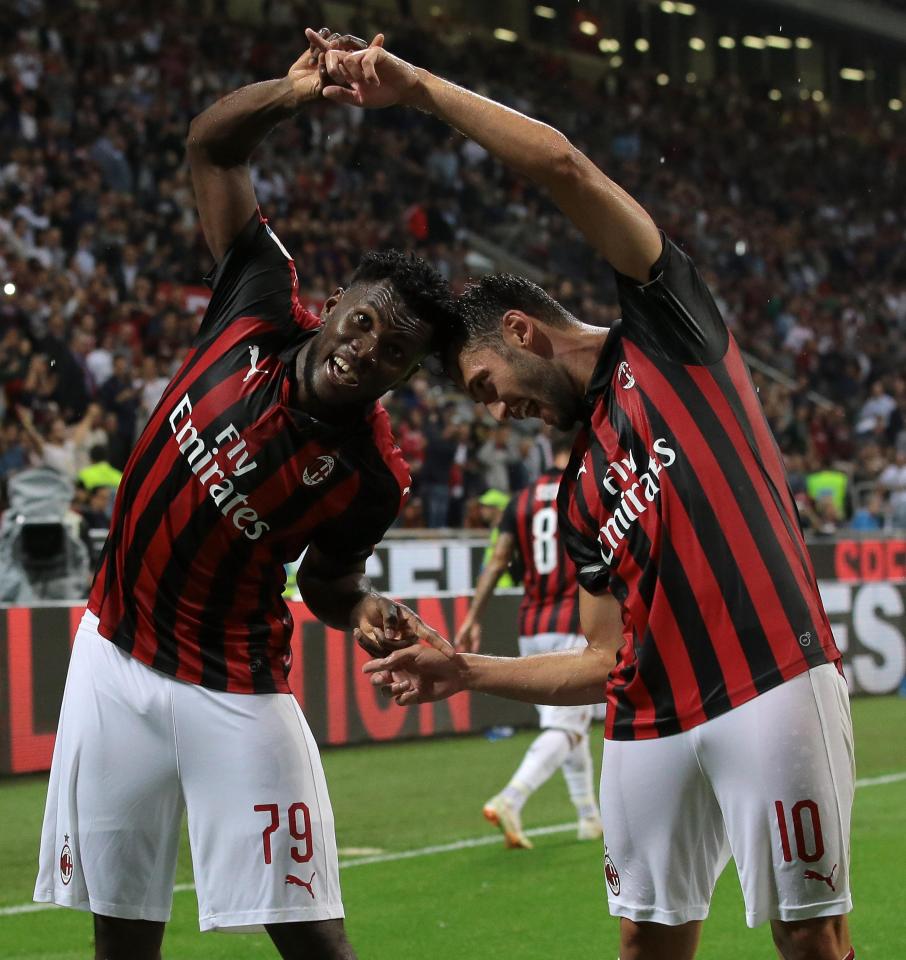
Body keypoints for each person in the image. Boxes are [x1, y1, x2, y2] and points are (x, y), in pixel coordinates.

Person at [319, 37, 857, 960]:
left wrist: (420, 91)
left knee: (811, 944)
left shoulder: (666, 325)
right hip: (646, 720)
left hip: (770, 680)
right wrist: (468, 670)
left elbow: (562, 164)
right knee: (644, 947)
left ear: (522, 329)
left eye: (489, 384)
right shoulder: (576, 495)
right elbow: (605, 658)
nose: (502, 411)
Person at [34, 30, 456, 960]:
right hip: (112, 657)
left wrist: (371, 611)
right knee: (122, 933)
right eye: (366, 323)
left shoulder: (370, 477)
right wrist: (292, 91)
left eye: (395, 353)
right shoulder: (257, 298)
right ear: (341, 297)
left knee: (311, 939)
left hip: (234, 689)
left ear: (406, 374)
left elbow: (329, 586)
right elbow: (210, 145)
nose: (368, 351)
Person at [455, 435, 601, 849]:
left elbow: (497, 561)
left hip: (532, 626)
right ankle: (510, 799)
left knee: (566, 723)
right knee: (568, 728)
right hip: (577, 620)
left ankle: (588, 817)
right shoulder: (585, 487)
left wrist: (471, 617)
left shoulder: (519, 501)